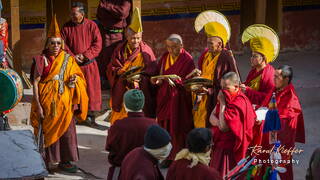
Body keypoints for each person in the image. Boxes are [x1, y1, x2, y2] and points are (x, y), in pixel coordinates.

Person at [30, 15, 88, 173]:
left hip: (65, 104)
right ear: (47, 44)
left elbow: (79, 79)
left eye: (58, 43)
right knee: (47, 133)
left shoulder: (68, 59)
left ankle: (66, 161)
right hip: (47, 104)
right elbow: (35, 83)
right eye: (52, 43)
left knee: (67, 133)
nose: (56, 46)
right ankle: (46, 161)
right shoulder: (41, 60)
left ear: (62, 44)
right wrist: (39, 106)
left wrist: (74, 82)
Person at [107, 7, 158, 124]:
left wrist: (141, 78)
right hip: (123, 87)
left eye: (138, 38)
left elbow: (153, 71)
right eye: (133, 38)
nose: (135, 41)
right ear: (127, 37)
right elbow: (111, 67)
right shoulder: (120, 49)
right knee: (121, 119)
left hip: (140, 88)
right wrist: (120, 72)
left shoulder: (146, 50)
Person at [153, 34, 195, 167]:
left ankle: (177, 157)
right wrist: (158, 80)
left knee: (177, 128)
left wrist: (177, 81)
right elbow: (160, 73)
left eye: (174, 47)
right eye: (169, 47)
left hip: (179, 99)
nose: (171, 50)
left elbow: (190, 82)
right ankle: (166, 156)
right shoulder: (165, 57)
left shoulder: (187, 59)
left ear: (181, 46)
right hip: (165, 96)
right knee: (164, 126)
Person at [192, 10, 240, 128]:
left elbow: (234, 80)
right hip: (203, 94)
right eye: (207, 43)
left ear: (220, 44)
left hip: (216, 97)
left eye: (211, 44)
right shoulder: (206, 54)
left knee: (212, 125)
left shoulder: (226, 56)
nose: (208, 46)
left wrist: (210, 90)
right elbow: (202, 71)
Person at [257, 65, 305, 180]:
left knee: (279, 173)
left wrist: (265, 118)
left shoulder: (291, 99)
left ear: (286, 79)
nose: (273, 79)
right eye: (274, 76)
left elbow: (285, 125)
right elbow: (265, 105)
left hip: (279, 145)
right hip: (266, 139)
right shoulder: (275, 89)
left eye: (277, 77)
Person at [61, 2, 102, 126]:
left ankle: (90, 116)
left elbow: (97, 44)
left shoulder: (92, 26)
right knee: (75, 91)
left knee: (90, 91)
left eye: (75, 14)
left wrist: (85, 55)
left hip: (89, 65)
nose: (72, 16)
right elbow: (62, 45)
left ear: (82, 13)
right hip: (73, 66)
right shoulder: (66, 27)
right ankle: (76, 115)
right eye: (71, 14)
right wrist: (73, 57)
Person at [209, 72, 256, 177]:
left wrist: (222, 104)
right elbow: (211, 117)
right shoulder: (226, 96)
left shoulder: (239, 102)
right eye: (221, 88)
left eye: (226, 88)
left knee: (225, 175)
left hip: (230, 150)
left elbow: (224, 128)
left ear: (236, 86)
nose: (222, 91)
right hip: (219, 145)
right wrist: (219, 122)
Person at [105, 89, 157, 180]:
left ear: (125, 105)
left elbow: (109, 147)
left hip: (121, 169)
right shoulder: (153, 124)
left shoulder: (118, 126)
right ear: (143, 104)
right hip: (146, 170)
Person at [240, 24, 278, 106]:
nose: (251, 58)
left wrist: (248, 91)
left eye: (255, 56)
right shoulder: (254, 71)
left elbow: (268, 98)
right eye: (251, 55)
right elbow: (248, 85)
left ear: (264, 58)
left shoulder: (270, 75)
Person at [96, 0, 132, 86]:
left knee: (118, 59)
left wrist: (107, 6)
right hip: (105, 34)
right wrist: (114, 12)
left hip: (118, 35)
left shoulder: (124, 1)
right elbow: (99, 15)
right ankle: (106, 81)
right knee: (104, 59)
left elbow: (122, 13)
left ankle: (117, 82)